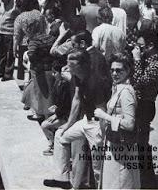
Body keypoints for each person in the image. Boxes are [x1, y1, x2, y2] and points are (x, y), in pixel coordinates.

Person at [43, 48, 111, 189]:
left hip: (97, 124)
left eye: (71, 64)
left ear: (81, 65)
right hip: (85, 120)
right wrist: (68, 124)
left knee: (98, 165)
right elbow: (77, 100)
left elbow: (102, 109)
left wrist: (103, 134)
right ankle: (62, 178)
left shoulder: (95, 81)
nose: (67, 67)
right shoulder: (78, 77)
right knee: (61, 136)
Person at [94, 53, 140, 189]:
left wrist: (105, 116)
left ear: (128, 71)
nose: (114, 73)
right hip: (115, 143)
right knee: (114, 180)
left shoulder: (126, 93)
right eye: (112, 70)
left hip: (122, 145)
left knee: (121, 181)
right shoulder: (118, 87)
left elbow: (130, 124)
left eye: (119, 70)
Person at [132, 31, 158, 189]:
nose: (139, 49)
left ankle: (147, 181)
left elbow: (139, 82)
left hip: (145, 106)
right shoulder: (148, 58)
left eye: (141, 46)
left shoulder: (157, 64)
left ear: (151, 45)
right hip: (139, 104)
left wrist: (137, 60)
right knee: (139, 143)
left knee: (141, 144)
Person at [22, 22, 56, 120]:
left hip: (38, 69)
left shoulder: (34, 41)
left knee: (39, 92)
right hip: (50, 68)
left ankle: (39, 114)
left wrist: (35, 62)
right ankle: (49, 112)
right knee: (49, 91)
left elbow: (31, 54)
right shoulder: (50, 38)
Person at [41, 59, 72, 156]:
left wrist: (56, 114)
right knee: (47, 115)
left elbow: (67, 105)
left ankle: (52, 145)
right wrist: (56, 107)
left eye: (55, 73)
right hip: (61, 112)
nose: (53, 75)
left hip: (66, 116)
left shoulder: (66, 85)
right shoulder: (57, 83)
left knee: (44, 126)